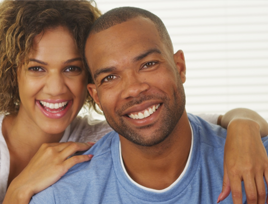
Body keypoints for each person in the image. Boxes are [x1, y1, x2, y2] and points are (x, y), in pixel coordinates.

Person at [0, 1, 267, 204]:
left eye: (72, 68)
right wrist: (18, 191)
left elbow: (182, 120)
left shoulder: (102, 135)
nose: (56, 87)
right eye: (37, 68)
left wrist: (245, 128)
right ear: (10, 72)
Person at [29, 7, 268, 204]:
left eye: (148, 64)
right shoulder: (61, 197)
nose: (133, 89)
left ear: (180, 67)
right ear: (96, 97)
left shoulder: (257, 161)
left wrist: (244, 123)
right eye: (110, 77)